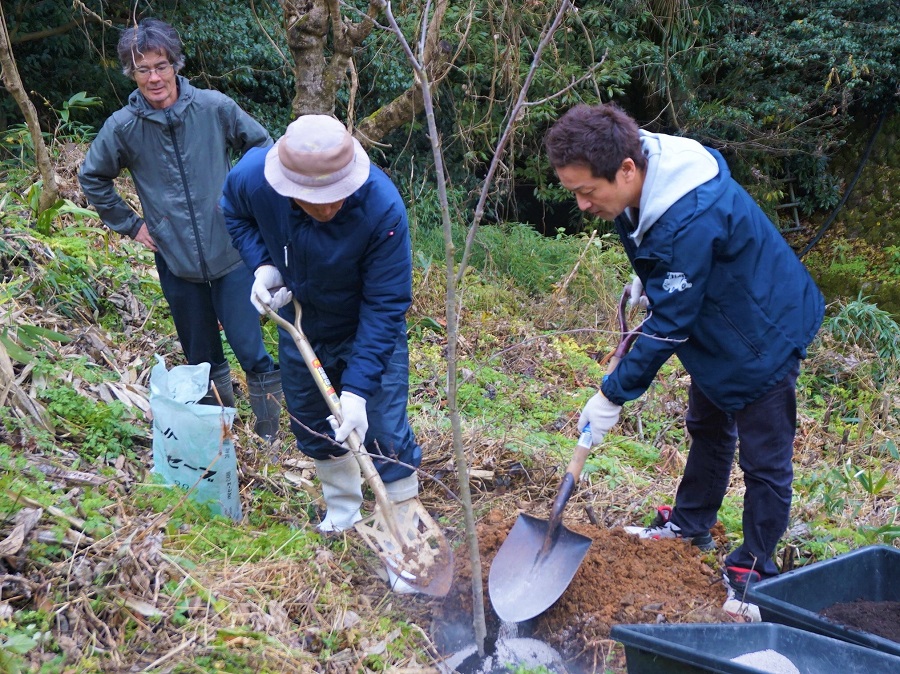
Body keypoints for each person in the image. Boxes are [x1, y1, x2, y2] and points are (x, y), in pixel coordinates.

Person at [544, 103, 824, 600]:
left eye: (588, 192)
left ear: (626, 169)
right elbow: (658, 246)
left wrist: (613, 394)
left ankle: (754, 568)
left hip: (762, 332)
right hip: (717, 322)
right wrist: (649, 277)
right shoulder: (643, 175)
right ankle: (692, 523)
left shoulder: (690, 216)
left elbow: (670, 322)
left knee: (765, 460)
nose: (584, 205)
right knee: (708, 425)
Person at [220, 114, 423, 592]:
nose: (327, 206)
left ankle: (404, 541)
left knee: (386, 428)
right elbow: (233, 209)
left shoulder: (382, 208)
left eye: (335, 196)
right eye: (313, 200)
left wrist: (356, 391)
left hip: (367, 326)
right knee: (311, 418)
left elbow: (387, 302)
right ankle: (343, 511)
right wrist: (265, 266)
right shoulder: (254, 178)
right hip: (303, 320)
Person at [78, 18, 282, 440]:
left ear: (176, 64)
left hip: (231, 255)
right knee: (201, 360)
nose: (154, 78)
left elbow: (262, 145)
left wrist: (243, 201)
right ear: (131, 75)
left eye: (161, 66)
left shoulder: (213, 107)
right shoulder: (124, 127)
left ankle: (270, 438)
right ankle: (220, 441)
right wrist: (131, 225)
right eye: (142, 70)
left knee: (251, 351)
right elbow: (92, 177)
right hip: (176, 261)